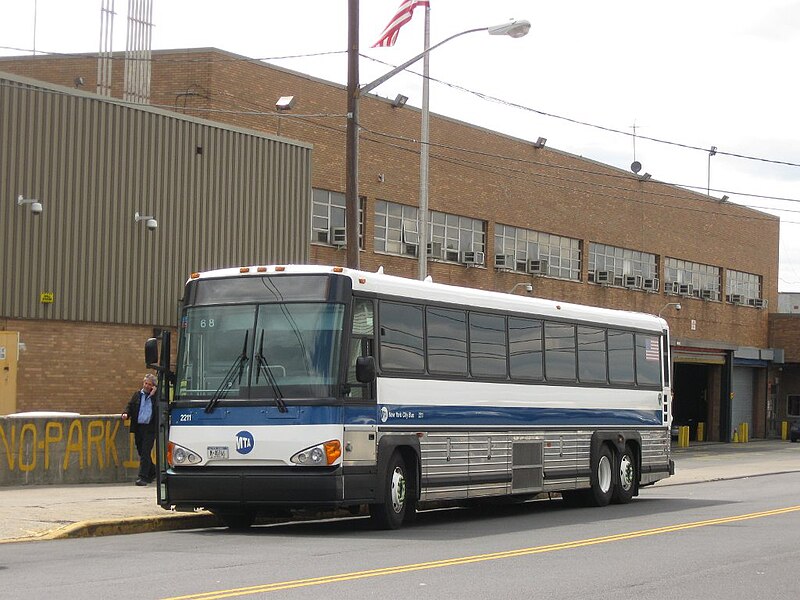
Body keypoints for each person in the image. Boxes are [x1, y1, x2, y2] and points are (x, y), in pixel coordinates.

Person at [122, 373, 158, 486]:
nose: (146, 386)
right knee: (141, 452)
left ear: (153, 386)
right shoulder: (137, 395)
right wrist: (126, 414)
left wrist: (154, 394)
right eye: (145, 383)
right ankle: (153, 471)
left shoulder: (155, 397)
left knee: (145, 452)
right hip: (138, 428)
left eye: (149, 384)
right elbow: (130, 406)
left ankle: (143, 477)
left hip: (150, 428)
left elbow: (161, 406)